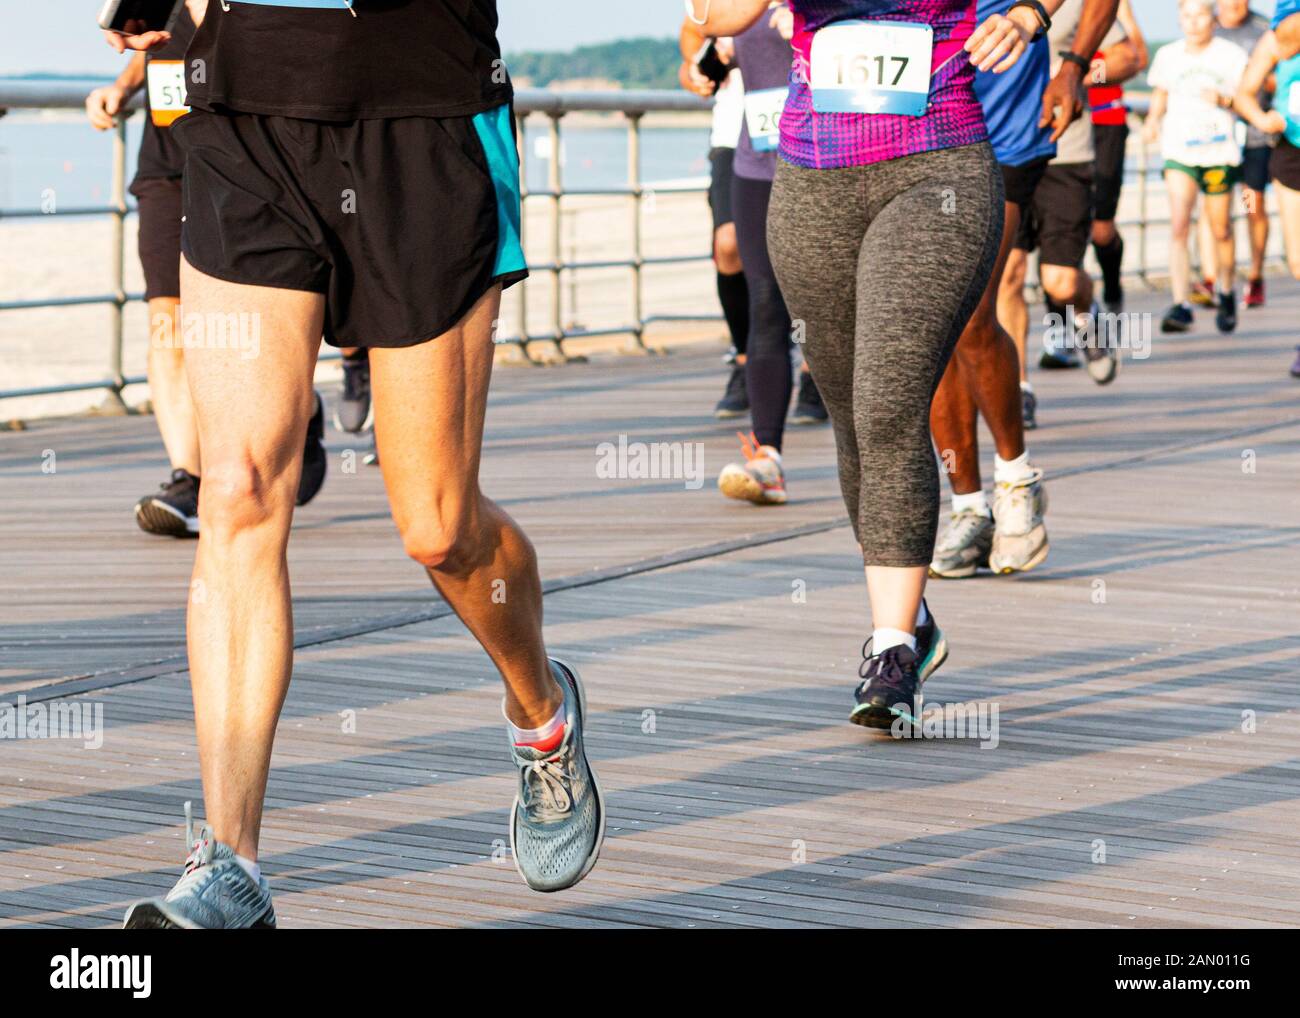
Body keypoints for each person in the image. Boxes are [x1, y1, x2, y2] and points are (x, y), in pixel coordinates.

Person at [108, 0, 603, 929]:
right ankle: (230, 863)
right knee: (239, 487)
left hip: (425, 115)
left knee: (439, 526)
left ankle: (542, 712)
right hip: (246, 109)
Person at [690, 0, 1051, 727]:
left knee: (888, 402)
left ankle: (890, 652)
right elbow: (718, 15)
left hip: (935, 167)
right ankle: (913, 622)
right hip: (811, 178)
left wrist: (1033, 13)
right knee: (853, 412)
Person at [85, 0, 326, 538]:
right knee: (167, 323)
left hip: (243, 170)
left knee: (251, 333)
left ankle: (301, 409)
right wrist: (125, 86)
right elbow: (158, 39)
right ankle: (187, 479)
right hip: (167, 171)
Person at [929, 0, 1118, 581]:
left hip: (1008, 130)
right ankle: (968, 507)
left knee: (970, 310)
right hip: (915, 126)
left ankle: (1016, 480)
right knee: (930, 326)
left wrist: (1072, 63)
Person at [1000, 0, 1132, 390]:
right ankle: (1020, 387)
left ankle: (1086, 318)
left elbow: (1128, 57)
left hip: (1064, 148)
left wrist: (1075, 72)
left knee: (1061, 283)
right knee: (1009, 275)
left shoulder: (1075, 5)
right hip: (1001, 149)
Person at [1144, 0, 1250, 335]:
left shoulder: (1230, 56)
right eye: (1186, 16)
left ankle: (1227, 289)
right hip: (1179, 149)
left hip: (1219, 151)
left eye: (1199, 15)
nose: (1192, 23)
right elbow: (1160, 94)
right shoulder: (1168, 55)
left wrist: (1225, 101)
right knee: (1179, 224)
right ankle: (1180, 303)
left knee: (1221, 229)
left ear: (1212, 19)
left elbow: (1248, 97)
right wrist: (1151, 121)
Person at [679, 28, 753, 417]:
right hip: (732, 134)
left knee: (801, 255)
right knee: (728, 245)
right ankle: (742, 360)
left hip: (798, 128)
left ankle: (811, 371)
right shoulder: (715, 6)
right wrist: (697, 74)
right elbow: (690, 59)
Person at [1193, 0, 1272, 308]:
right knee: (1212, 208)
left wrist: (1245, 88)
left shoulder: (1264, 30)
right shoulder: (1206, 27)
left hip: (1253, 135)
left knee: (1252, 204)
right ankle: (1211, 279)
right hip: (1213, 136)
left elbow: (1278, 79)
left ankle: (1255, 275)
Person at [1233, 22, 1300, 374]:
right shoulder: (1277, 36)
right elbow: (1243, 94)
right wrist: (1263, 117)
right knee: (1297, 262)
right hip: (1284, 150)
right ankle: (1251, 274)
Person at [1087, 0, 1147, 314]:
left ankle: (1112, 290)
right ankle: (1066, 330)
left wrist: (1078, 74)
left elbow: (1137, 58)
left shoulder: (1112, 6)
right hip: (1055, 124)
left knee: (1101, 228)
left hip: (1104, 120)